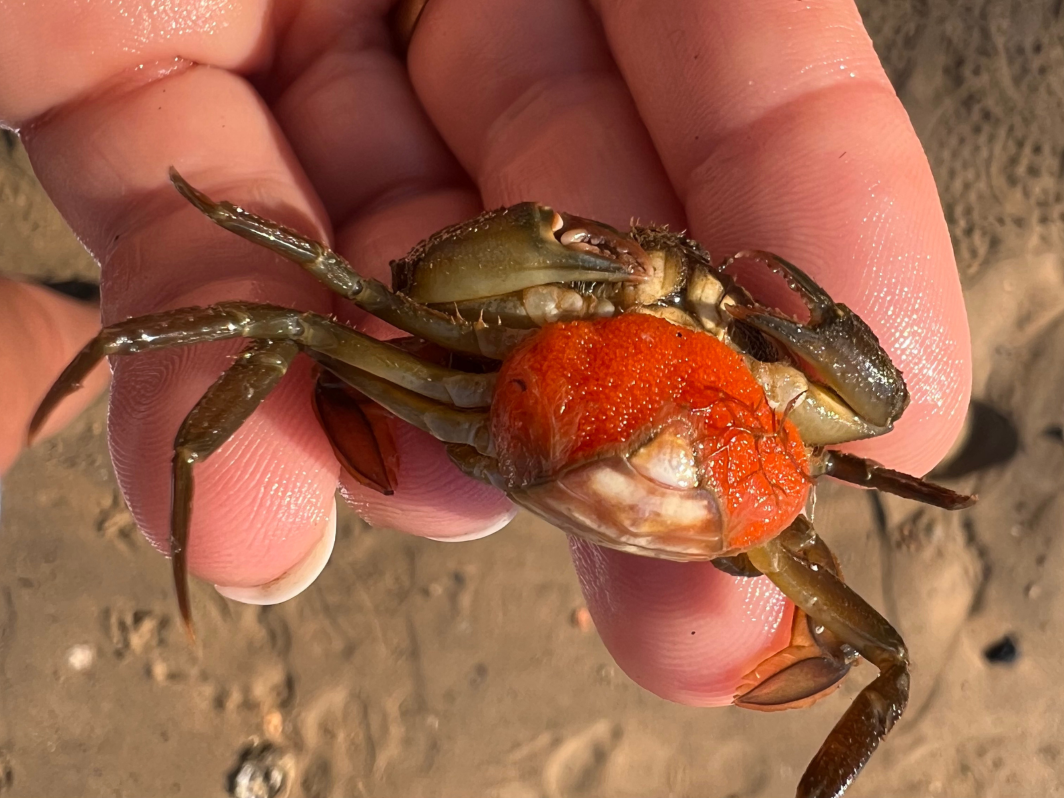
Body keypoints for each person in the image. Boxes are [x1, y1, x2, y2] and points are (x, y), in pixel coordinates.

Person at [0, 0, 970, 706]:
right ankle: (85, 341)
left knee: (877, 648)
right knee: (287, 326)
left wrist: (765, 342)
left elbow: (872, 421)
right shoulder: (522, 335)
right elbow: (381, 296)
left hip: (708, 496)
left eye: (700, 307)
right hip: (493, 403)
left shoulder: (774, 440)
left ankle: (68, 332)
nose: (670, 313)